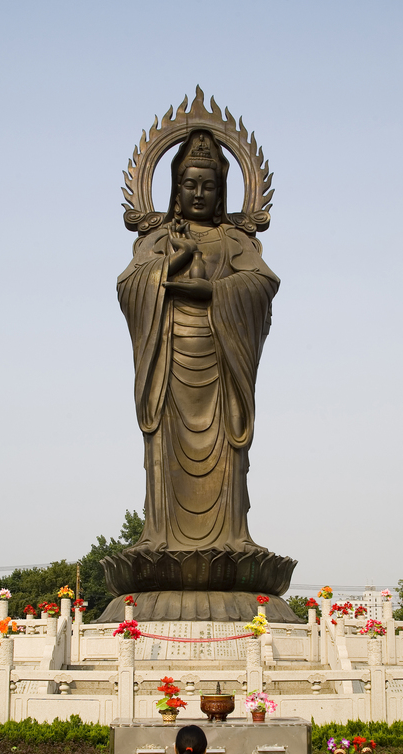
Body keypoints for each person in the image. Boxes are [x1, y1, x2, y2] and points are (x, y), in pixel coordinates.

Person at [117, 129, 280, 555]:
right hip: (170, 357)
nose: (199, 193)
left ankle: (233, 537)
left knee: (228, 444)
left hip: (222, 354)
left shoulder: (234, 240)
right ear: (175, 188)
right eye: (190, 184)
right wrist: (177, 260)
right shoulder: (156, 238)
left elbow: (262, 282)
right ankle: (158, 536)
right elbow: (130, 285)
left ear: (222, 190)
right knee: (164, 445)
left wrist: (216, 293)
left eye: (209, 185)